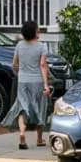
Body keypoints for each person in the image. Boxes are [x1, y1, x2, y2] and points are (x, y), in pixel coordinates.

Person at [11, 20, 51, 151]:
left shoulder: (19, 46)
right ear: (34, 32)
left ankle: (22, 135)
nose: (39, 31)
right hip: (37, 81)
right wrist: (46, 84)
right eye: (38, 30)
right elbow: (43, 65)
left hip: (23, 81)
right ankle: (39, 139)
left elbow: (14, 64)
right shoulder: (42, 47)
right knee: (39, 107)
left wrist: (19, 73)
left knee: (23, 108)